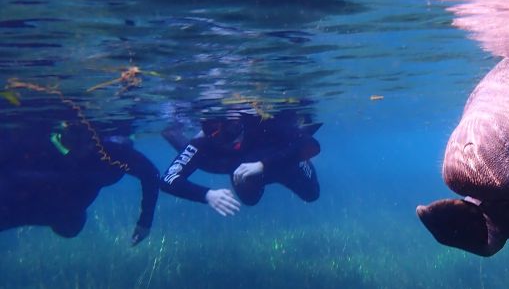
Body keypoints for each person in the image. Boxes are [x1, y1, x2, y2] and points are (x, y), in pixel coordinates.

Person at [0, 117, 159, 244]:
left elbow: (150, 174)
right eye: (74, 136)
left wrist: (145, 222)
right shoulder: (110, 156)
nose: (80, 144)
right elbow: (150, 174)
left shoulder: (111, 154)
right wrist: (145, 222)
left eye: (84, 137)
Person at [159, 108, 321, 215]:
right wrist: (207, 195)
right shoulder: (203, 143)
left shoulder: (262, 121)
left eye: (232, 129)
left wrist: (263, 165)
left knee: (312, 194)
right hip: (241, 170)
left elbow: (311, 145)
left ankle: (297, 159)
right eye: (214, 131)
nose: (228, 138)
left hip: (285, 164)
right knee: (250, 200)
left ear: (240, 122)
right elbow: (167, 179)